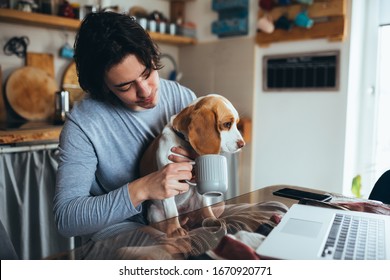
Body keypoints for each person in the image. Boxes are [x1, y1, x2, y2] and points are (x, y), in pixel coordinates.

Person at [53, 11, 197, 247]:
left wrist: (200, 169)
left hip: (180, 217)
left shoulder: (183, 98)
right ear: (104, 87)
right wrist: (142, 189)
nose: (145, 91)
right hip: (118, 231)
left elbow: (210, 179)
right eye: (126, 86)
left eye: (147, 73)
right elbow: (67, 218)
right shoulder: (83, 124)